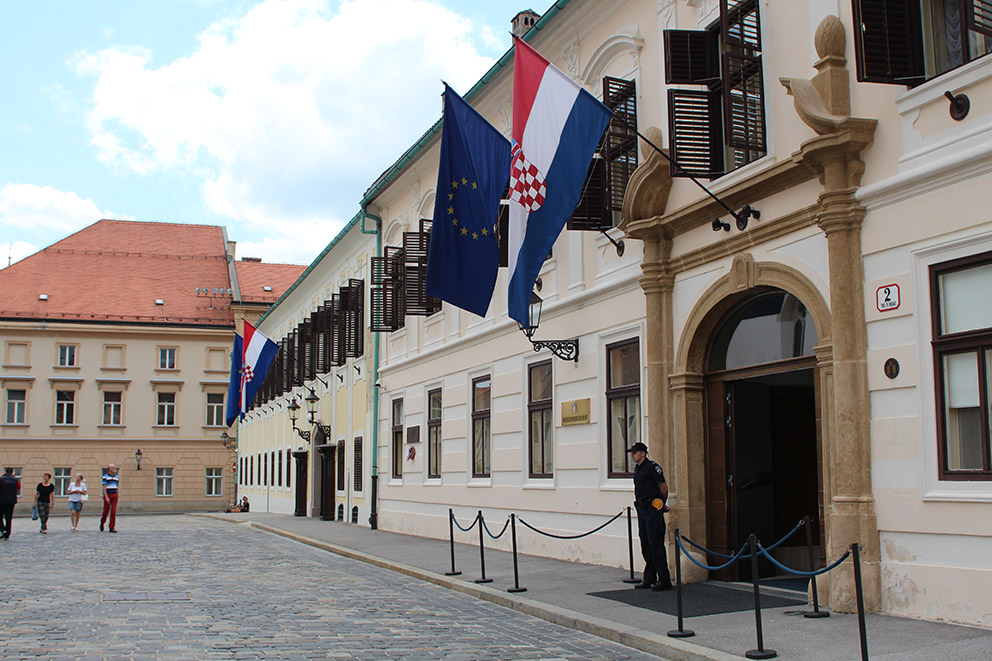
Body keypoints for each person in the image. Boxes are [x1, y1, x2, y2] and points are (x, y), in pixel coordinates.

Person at [628, 442, 673, 591]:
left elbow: (663, 489)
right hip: (642, 509)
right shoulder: (639, 469)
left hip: (652, 510)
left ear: (643, 453)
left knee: (656, 544)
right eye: (632, 453)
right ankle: (650, 577)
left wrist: (660, 505)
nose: (632, 455)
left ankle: (664, 578)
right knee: (645, 543)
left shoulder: (652, 467)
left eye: (635, 452)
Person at [0, 467, 19, 540]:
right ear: (12, 472)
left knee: (0, 516)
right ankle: (7, 534)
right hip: (11, 500)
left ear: (5, 471)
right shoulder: (15, 480)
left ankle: (2, 530)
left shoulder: (1, 479)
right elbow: (18, 487)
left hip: (1, 500)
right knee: (8, 518)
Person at [100, 464, 120, 533]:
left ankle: (112, 527)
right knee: (106, 511)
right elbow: (104, 487)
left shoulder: (117, 477)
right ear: (109, 469)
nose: (114, 469)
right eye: (113, 468)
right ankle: (102, 522)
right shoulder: (105, 477)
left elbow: (117, 485)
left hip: (114, 494)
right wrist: (106, 496)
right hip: (108, 494)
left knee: (113, 511)